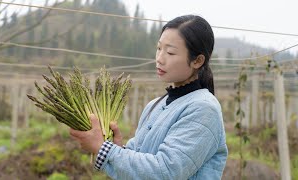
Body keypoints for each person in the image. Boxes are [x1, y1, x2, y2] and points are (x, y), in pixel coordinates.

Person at [70, 14, 228, 179]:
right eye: (159, 48)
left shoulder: (203, 109)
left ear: (197, 61)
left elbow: (165, 172)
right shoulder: (155, 105)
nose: (159, 59)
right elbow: (140, 163)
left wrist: (103, 149)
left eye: (170, 52)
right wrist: (115, 148)